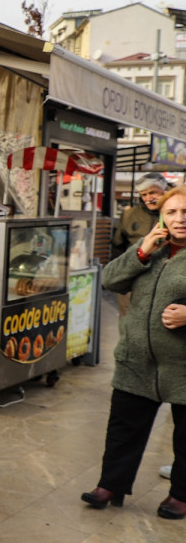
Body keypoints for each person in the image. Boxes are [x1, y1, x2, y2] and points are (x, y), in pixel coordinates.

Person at [84, 184, 186, 520]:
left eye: (185, 212)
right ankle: (110, 485)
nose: (179, 218)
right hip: (136, 358)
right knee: (123, 427)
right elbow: (109, 280)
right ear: (161, 217)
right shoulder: (151, 248)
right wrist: (141, 251)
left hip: (181, 365)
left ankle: (181, 494)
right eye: (171, 212)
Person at [114, 173, 169, 315]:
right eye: (144, 194)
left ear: (164, 191)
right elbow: (118, 246)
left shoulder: (176, 213)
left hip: (166, 280)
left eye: (153, 193)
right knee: (128, 321)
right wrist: (120, 277)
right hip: (133, 277)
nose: (148, 199)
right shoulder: (129, 214)